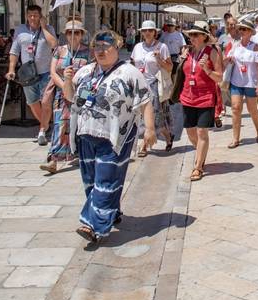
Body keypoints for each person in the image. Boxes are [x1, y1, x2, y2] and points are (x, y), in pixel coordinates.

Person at [63, 29, 155, 244]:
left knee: (105, 182)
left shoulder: (129, 72)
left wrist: (149, 129)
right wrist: (67, 80)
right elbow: (71, 98)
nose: (101, 50)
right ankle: (110, 213)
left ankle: (93, 225)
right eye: (97, 47)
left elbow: (145, 100)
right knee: (91, 183)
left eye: (106, 46)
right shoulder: (85, 72)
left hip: (116, 139)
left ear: (118, 47)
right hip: (85, 135)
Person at [175, 21, 223, 181]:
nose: (192, 38)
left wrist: (207, 70)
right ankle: (201, 153)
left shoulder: (212, 52)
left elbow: (220, 77)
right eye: (191, 35)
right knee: (190, 132)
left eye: (196, 35)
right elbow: (179, 72)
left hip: (205, 97)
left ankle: (198, 167)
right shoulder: (187, 52)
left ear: (204, 36)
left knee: (202, 131)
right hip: (188, 96)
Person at [40, 20, 90, 174]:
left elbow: (93, 72)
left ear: (81, 34)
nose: (73, 35)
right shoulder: (60, 51)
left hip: (82, 93)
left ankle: (78, 153)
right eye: (69, 32)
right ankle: (53, 159)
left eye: (76, 32)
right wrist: (64, 86)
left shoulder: (89, 52)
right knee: (59, 123)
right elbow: (53, 72)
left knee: (80, 125)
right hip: (61, 94)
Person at [6, 5, 59, 145]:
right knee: (33, 102)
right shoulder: (20, 30)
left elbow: (54, 44)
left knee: (46, 101)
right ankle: (46, 125)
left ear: (41, 16)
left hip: (46, 72)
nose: (33, 18)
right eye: (30, 15)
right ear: (26, 16)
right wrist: (11, 69)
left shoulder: (49, 29)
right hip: (27, 74)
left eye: (35, 15)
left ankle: (42, 130)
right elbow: (14, 51)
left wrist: (44, 27)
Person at [130, 20, 174, 155]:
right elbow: (133, 63)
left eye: (150, 30)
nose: (147, 33)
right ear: (141, 33)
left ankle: (144, 145)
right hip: (139, 84)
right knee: (141, 114)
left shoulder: (162, 47)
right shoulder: (137, 47)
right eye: (144, 31)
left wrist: (159, 59)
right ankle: (168, 136)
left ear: (155, 32)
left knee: (153, 115)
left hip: (154, 84)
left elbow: (170, 67)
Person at [224, 19, 258, 147]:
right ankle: (236, 138)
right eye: (240, 29)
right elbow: (226, 61)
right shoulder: (235, 45)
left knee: (252, 110)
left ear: (251, 32)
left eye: (245, 29)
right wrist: (228, 60)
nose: (241, 31)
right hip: (236, 81)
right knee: (236, 108)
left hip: (250, 83)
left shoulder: (255, 46)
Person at [160, 17, 187, 146]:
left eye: (172, 25)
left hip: (175, 57)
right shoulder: (163, 35)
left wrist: (182, 55)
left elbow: (183, 46)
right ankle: (169, 95)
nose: (170, 27)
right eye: (168, 25)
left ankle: (174, 96)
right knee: (167, 79)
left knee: (176, 78)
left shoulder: (179, 35)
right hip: (167, 58)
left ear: (175, 26)